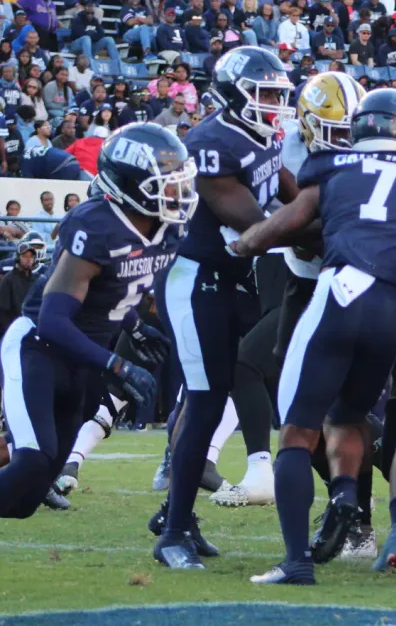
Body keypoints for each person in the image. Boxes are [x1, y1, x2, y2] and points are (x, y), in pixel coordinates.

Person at [230, 88, 396, 586]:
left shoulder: (333, 165)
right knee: (349, 415)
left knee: (297, 432)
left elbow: (285, 224)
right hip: (393, 306)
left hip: (340, 292)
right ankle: (346, 493)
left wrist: (243, 243)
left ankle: (296, 562)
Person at [0, 123, 194, 521]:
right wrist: (117, 364)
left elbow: (117, 288)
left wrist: (134, 327)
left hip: (83, 358)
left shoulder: (165, 227)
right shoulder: (96, 225)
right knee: (33, 461)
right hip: (39, 348)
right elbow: (53, 320)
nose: (176, 194)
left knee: (28, 497)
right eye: (165, 184)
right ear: (129, 184)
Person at [150, 46, 297, 570]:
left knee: (215, 391)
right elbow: (255, 222)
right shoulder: (210, 142)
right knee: (208, 399)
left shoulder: (265, 135)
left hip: (231, 281)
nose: (276, 105)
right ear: (235, 92)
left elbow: (289, 193)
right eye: (267, 95)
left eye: (281, 94)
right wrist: (319, 235)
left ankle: (179, 515)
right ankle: (171, 533)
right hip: (196, 279)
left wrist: (315, 214)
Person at [0, 231, 46, 334]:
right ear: (18, 257)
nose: (28, 259)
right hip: (12, 329)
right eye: (25, 256)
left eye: (31, 256)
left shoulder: (37, 279)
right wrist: (11, 331)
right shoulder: (8, 279)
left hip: (33, 329)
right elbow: (2, 311)